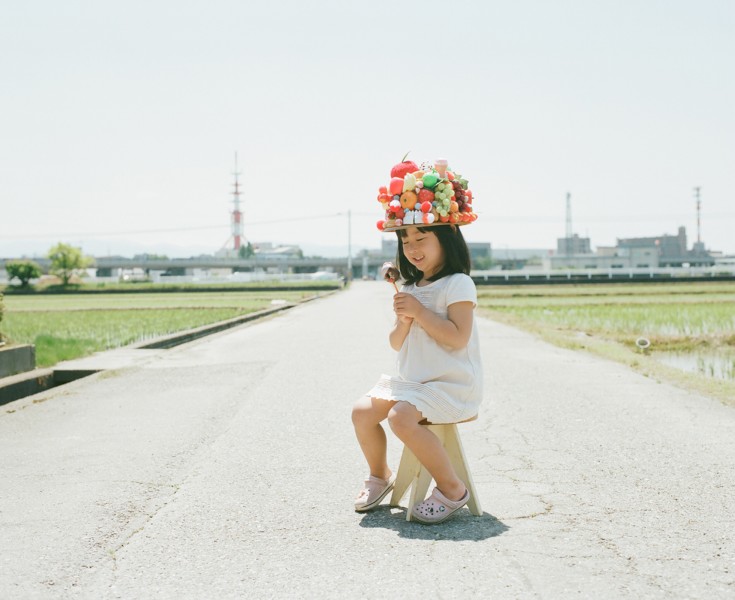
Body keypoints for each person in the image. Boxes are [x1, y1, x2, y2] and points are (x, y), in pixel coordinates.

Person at [352, 222, 483, 524]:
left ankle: (452, 489)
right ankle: (380, 475)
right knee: (361, 412)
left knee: (400, 416)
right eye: (405, 241)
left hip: (451, 385)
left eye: (421, 239)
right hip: (414, 384)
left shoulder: (457, 283)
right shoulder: (409, 288)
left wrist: (420, 312)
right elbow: (396, 343)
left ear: (446, 240)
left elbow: (458, 337)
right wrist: (405, 321)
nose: (412, 249)